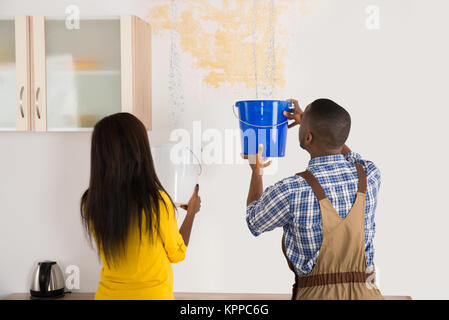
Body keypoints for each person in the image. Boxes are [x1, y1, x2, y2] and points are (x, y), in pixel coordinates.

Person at [245, 98, 383, 300]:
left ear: (308, 138)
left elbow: (254, 220)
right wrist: (311, 124)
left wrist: (256, 171)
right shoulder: (370, 175)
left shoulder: (292, 190)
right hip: (368, 294)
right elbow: (349, 154)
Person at [80, 112, 201, 300]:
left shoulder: (91, 202)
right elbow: (177, 254)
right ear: (139, 151)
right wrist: (191, 212)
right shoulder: (156, 202)